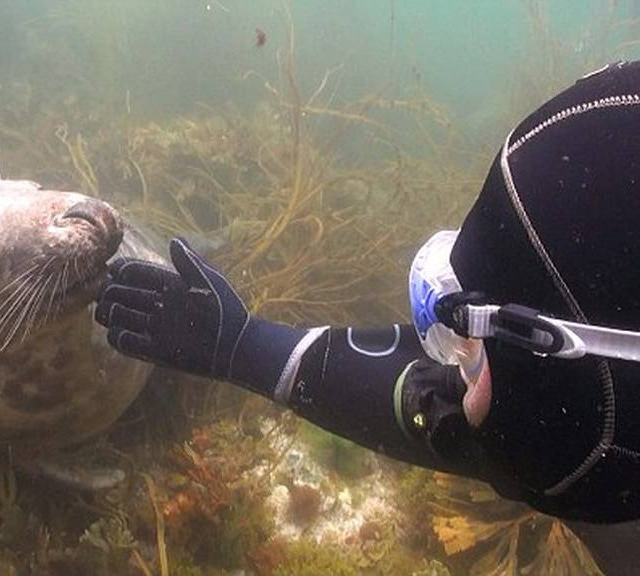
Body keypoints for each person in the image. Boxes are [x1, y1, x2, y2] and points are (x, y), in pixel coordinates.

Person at [95, 60, 640, 574]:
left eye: (477, 344)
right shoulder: (590, 445)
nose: (457, 380)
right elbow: (497, 421)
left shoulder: (572, 445)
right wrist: (242, 347)